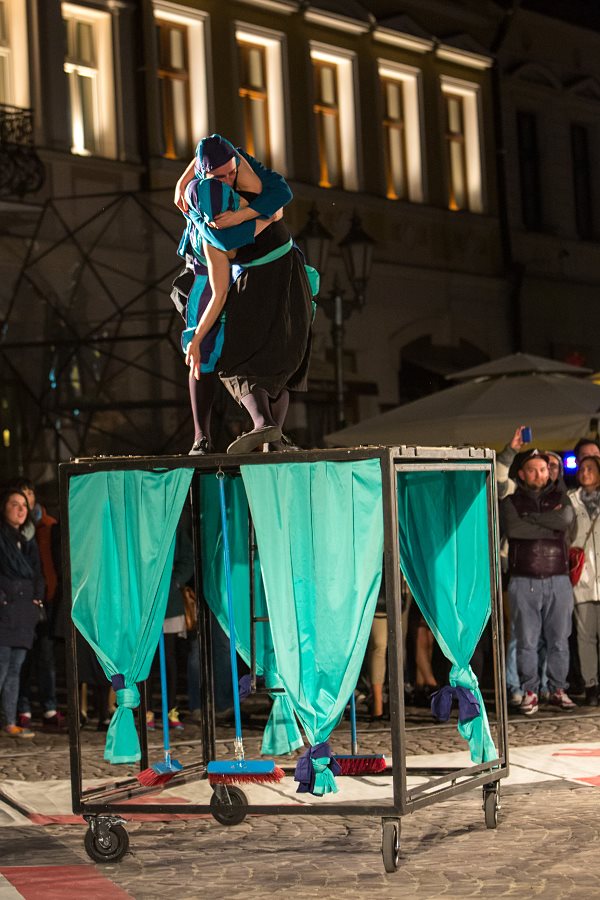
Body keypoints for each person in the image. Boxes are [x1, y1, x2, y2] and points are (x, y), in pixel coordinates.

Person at [183, 140, 313, 454]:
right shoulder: (214, 235)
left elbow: (278, 204)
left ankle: (266, 427)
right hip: (283, 274)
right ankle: (269, 434)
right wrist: (197, 339)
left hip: (276, 277)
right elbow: (219, 292)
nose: (229, 179)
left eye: (231, 173)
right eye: (221, 177)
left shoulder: (243, 187)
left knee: (240, 358)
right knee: (273, 357)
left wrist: (243, 217)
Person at [500, 449, 576, 716]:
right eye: (532, 470)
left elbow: (564, 521)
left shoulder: (561, 497)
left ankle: (557, 689)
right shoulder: (511, 501)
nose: (539, 475)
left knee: (559, 640)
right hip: (524, 580)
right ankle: (530, 690)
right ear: (522, 474)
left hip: (558, 578)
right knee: (526, 641)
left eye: (543, 470)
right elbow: (515, 529)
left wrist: (532, 519)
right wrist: (547, 524)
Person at [9, 477, 64, 731]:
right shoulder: (13, 531)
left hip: (46, 599)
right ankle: (23, 707)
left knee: (46, 655)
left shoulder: (48, 525)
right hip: (21, 603)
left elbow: (51, 563)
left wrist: (46, 593)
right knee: (23, 658)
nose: (26, 500)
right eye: (20, 495)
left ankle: (49, 706)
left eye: (29, 494)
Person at [0, 489, 45, 737]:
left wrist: (37, 598)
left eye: (24, 506)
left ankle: (9, 720)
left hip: (24, 613)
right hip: (6, 612)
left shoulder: (28, 540)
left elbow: (38, 573)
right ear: (4, 507)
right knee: (2, 666)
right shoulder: (2, 537)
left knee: (15, 669)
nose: (20, 509)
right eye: (14, 504)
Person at [568, 455, 600, 705]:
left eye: (590, 468)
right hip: (584, 577)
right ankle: (591, 685)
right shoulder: (571, 500)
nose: (585, 472)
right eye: (582, 468)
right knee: (585, 635)